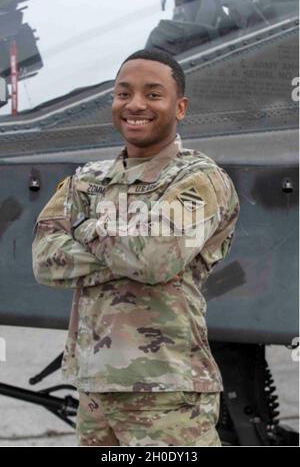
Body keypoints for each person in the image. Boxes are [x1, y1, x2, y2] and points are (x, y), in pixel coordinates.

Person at [32, 49, 240, 446]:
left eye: (153, 94)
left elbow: (154, 259)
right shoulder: (88, 178)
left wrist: (83, 224)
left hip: (165, 391)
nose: (136, 105)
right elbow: (45, 261)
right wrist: (125, 243)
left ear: (180, 107)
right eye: (123, 93)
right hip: (95, 388)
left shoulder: (199, 179)